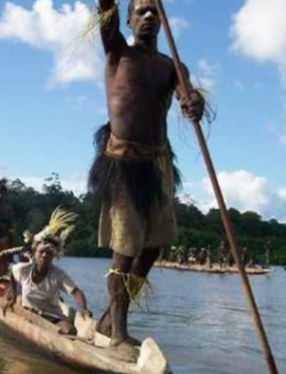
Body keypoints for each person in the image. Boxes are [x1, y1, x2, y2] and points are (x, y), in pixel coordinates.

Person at [87, 0, 205, 359]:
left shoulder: (172, 67)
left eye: (155, 10)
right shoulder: (117, 52)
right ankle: (118, 335)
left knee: (152, 248)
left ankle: (109, 319)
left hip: (157, 164)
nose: (149, 16)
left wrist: (194, 102)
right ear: (129, 19)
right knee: (124, 250)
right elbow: (105, 9)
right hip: (123, 163)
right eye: (142, 10)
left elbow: (189, 95)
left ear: (164, 19)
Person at [4, 208, 89, 335]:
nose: (44, 256)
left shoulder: (58, 274)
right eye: (41, 252)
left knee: (70, 330)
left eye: (49, 253)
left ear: (53, 256)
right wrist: (13, 295)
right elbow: (11, 271)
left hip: (52, 316)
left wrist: (83, 308)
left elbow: (75, 292)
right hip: (29, 313)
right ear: (34, 253)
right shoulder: (23, 269)